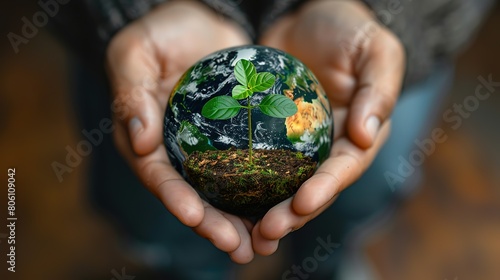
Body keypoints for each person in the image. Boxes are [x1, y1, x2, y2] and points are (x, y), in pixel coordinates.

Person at [52, 0, 494, 278]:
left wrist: (383, 13)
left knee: (360, 193)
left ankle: (325, 265)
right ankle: (186, 269)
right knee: (158, 217)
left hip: (381, 40)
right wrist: (135, 9)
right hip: (149, 62)